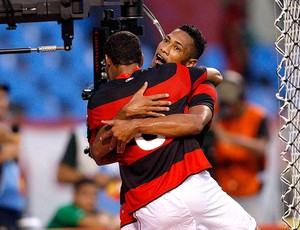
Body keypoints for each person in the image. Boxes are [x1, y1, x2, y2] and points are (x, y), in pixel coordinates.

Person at [87, 28, 259, 229]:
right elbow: (216, 75)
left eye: (176, 48)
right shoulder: (183, 77)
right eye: (166, 40)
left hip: (154, 201)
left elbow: (195, 122)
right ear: (141, 58)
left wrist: (133, 124)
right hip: (185, 190)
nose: (165, 48)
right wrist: (125, 115)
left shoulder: (102, 99)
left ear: (190, 63)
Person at [207, 70, 269, 223]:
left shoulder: (257, 116)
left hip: (249, 190)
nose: (228, 108)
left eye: (231, 103)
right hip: (221, 190)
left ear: (242, 100)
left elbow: (261, 148)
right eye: (225, 103)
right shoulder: (214, 115)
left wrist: (231, 139)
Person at [56, 123, 121, 216]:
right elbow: (62, 174)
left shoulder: (130, 129)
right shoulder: (81, 135)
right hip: (93, 214)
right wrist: (91, 177)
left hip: (128, 210)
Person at [0, 83, 25, 230]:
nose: (4, 103)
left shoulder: (6, 131)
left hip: (12, 206)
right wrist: (4, 155)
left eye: (4, 98)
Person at [47, 178, 119, 229]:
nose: (91, 198)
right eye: (86, 194)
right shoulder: (65, 210)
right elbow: (90, 222)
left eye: (94, 194)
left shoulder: (96, 212)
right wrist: (109, 221)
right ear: (75, 195)